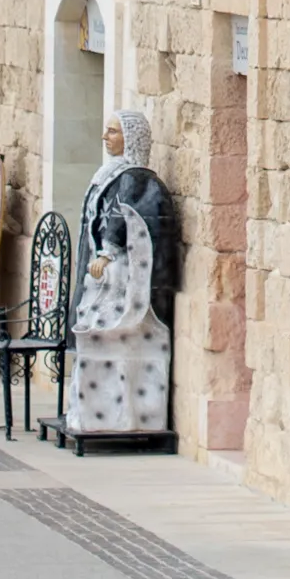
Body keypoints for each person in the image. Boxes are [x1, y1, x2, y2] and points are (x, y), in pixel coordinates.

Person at [63, 109, 180, 442]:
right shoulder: (111, 173)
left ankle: (122, 415)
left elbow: (125, 219)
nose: (106, 138)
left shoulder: (136, 178)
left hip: (121, 287)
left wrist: (108, 253)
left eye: (113, 132)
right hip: (102, 280)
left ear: (130, 138)